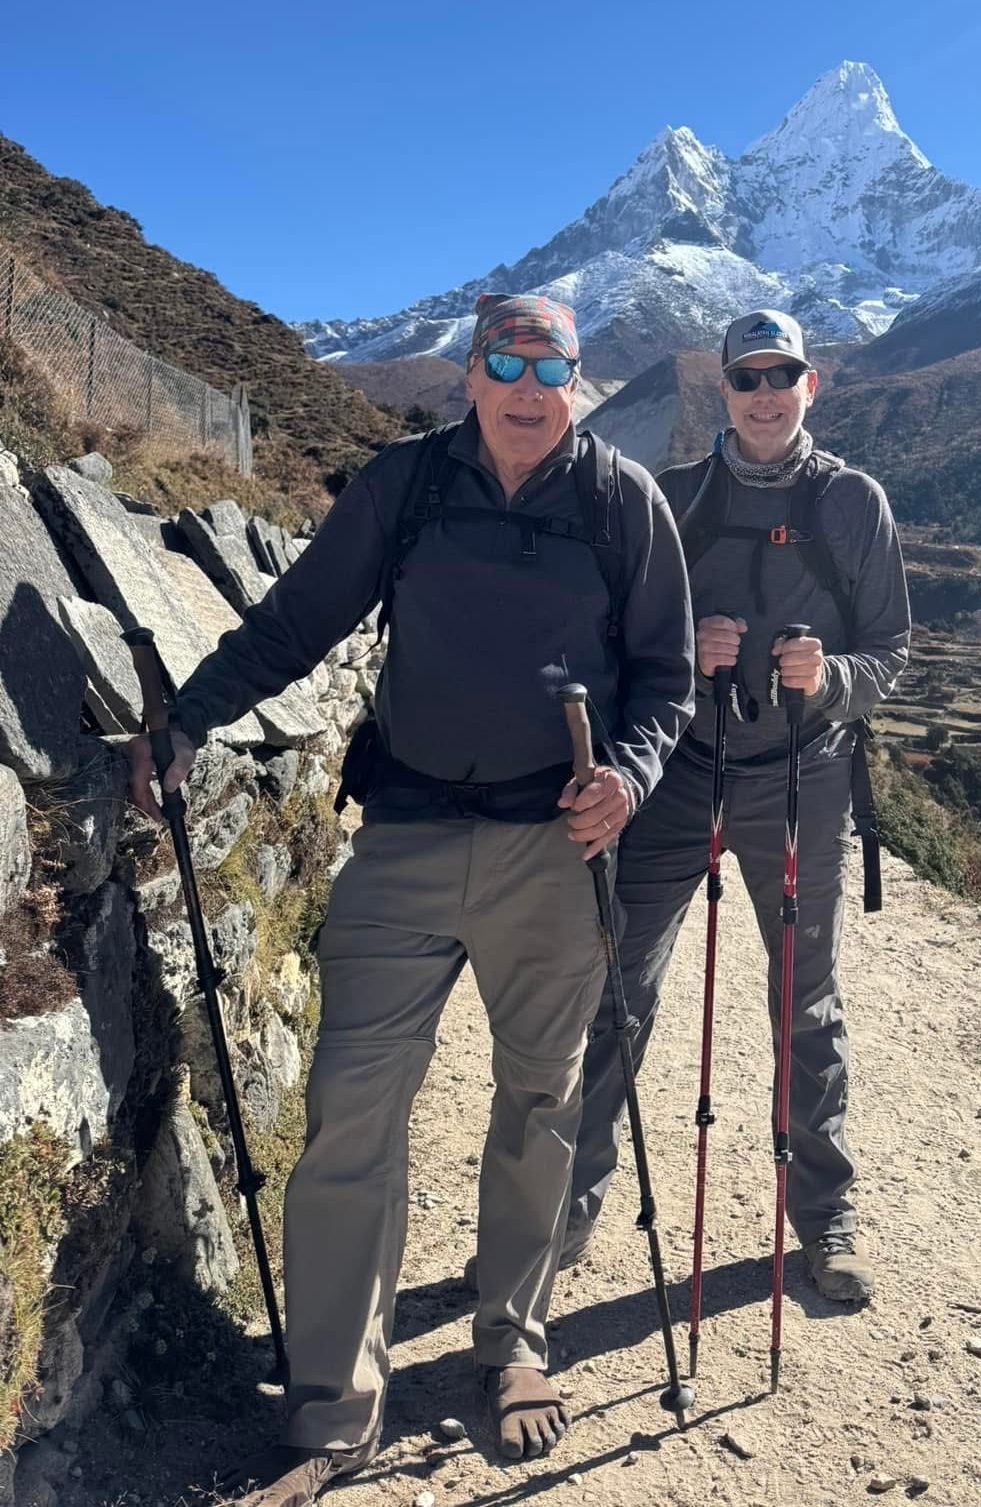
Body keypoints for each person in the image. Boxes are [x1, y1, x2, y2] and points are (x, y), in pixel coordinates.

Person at [127, 294, 694, 1503]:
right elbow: (295, 622)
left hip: (555, 847)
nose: (528, 389)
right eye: (506, 364)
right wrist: (189, 717)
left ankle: (515, 1342)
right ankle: (333, 1404)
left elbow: (666, 676)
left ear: (580, 379)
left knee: (540, 1102)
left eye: (551, 366)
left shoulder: (621, 502)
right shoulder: (407, 486)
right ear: (468, 373)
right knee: (350, 1109)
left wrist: (631, 777)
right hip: (407, 835)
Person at [566, 308, 910, 1303]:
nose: (765, 394)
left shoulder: (852, 502)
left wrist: (829, 677)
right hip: (680, 768)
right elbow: (614, 638)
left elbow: (889, 650)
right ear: (723, 389)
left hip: (805, 774)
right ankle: (567, 1204)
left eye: (781, 375)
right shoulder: (673, 500)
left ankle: (825, 1217)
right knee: (620, 984)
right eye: (747, 377)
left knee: (805, 997)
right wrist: (683, 651)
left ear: (811, 385)